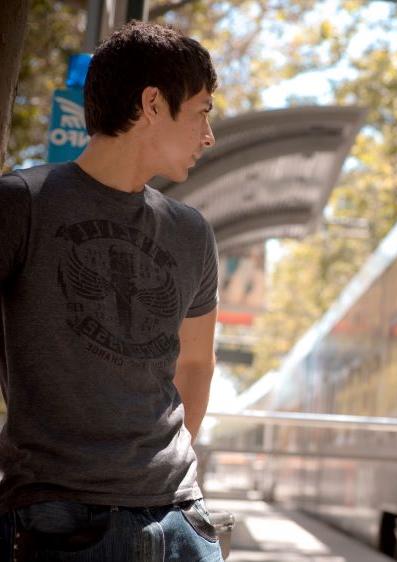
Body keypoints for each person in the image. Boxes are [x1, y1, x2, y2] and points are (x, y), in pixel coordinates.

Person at [0, 21, 223, 561]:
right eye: (201, 113)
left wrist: (170, 473)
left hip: (180, 519)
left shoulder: (192, 231)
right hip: (59, 518)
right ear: (152, 103)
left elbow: (196, 363)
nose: (208, 136)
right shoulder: (19, 204)